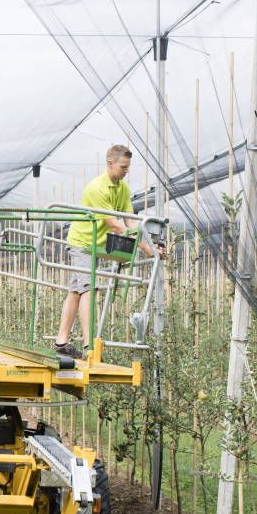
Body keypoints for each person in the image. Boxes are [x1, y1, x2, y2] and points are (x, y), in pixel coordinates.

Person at [53, 144, 160, 359]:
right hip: (81, 243)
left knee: (76, 291)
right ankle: (88, 346)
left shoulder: (122, 188)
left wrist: (147, 242)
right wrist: (147, 248)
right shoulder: (97, 189)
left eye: (128, 167)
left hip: (95, 245)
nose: (126, 171)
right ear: (110, 163)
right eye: (123, 167)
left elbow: (129, 220)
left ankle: (61, 342)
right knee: (88, 289)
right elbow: (116, 226)